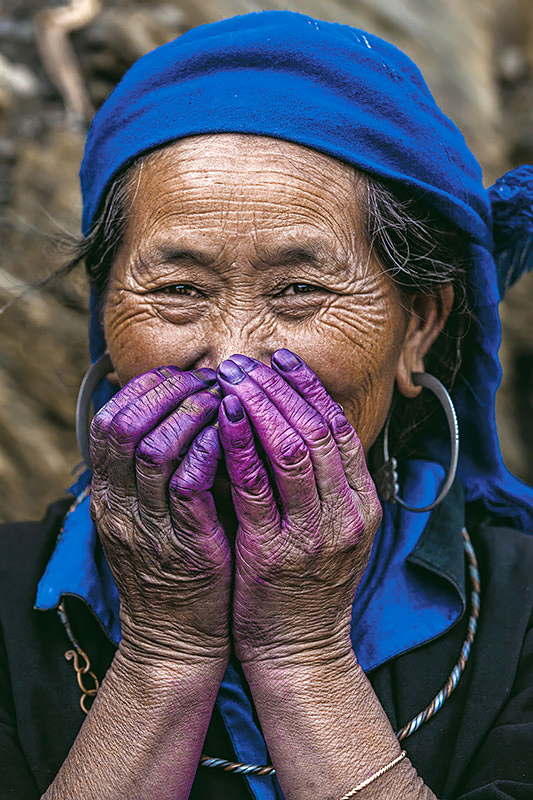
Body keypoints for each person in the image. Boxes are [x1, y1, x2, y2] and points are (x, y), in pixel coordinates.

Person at [1, 10, 532, 800]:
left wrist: (303, 653)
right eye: (177, 290)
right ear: (106, 321)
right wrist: (163, 652)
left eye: (299, 291)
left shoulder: (517, 618)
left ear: (417, 328)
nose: (234, 355)